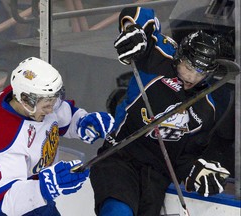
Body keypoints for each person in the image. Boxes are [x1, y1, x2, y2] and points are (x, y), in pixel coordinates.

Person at [90, 7, 231, 216]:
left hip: (156, 174)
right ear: (179, 56)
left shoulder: (205, 109)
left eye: (201, 72)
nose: (192, 77)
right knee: (117, 212)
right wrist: (133, 29)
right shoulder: (158, 57)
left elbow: (183, 156)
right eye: (188, 67)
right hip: (119, 155)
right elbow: (138, 13)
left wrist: (194, 171)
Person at [0, 57, 115, 215]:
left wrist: (81, 123)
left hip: (34, 186)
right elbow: (7, 201)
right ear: (26, 101)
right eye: (47, 105)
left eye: (53, 101)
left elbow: (59, 117)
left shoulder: (30, 95)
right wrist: (48, 185)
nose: (51, 110)